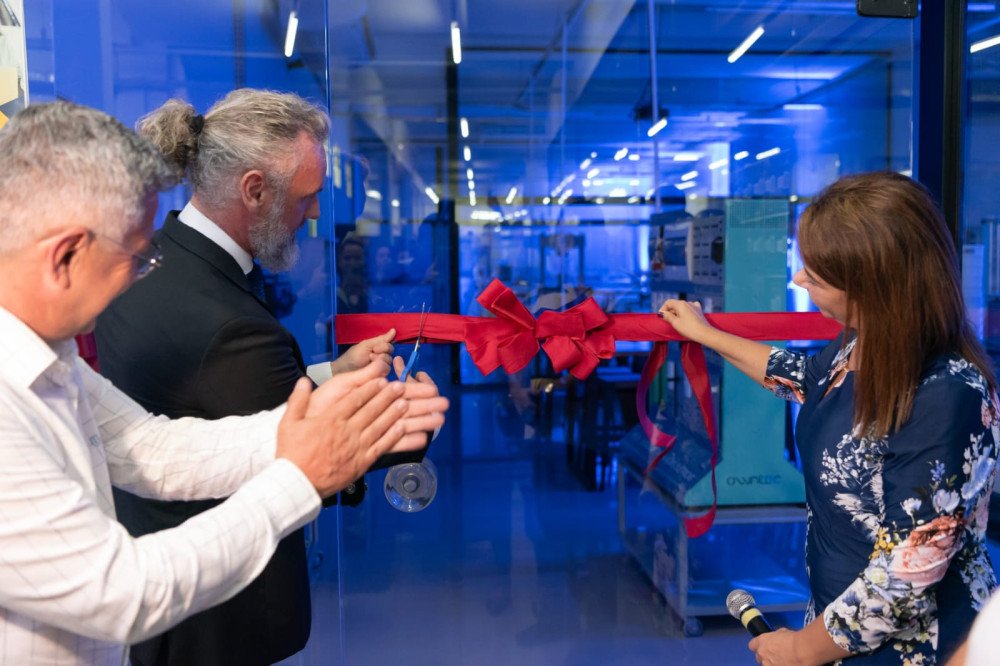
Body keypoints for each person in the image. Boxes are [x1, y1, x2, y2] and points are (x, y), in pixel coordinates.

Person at [0, 101, 447, 664]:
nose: (141, 277)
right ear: (64, 255)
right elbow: (122, 594)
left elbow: (153, 448)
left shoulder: (52, 356)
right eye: (136, 260)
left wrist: (324, 427)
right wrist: (300, 476)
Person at [659, 171, 999, 665]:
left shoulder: (948, 395)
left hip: (916, 647)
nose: (798, 280)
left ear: (872, 286)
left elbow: (906, 576)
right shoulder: (866, 342)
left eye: (814, 275)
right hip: (839, 628)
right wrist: (705, 333)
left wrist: (801, 649)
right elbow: (801, 376)